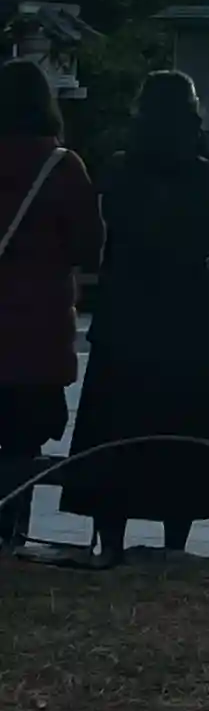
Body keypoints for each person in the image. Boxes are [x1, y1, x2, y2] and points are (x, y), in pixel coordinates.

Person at [60, 72, 209, 558]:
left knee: (114, 431)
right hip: (187, 323)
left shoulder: (119, 171)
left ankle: (112, 541)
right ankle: (174, 543)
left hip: (125, 318)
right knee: (182, 434)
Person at [0, 60, 103, 550]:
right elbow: (88, 246)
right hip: (36, 332)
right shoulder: (61, 167)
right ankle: (11, 533)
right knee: (23, 444)